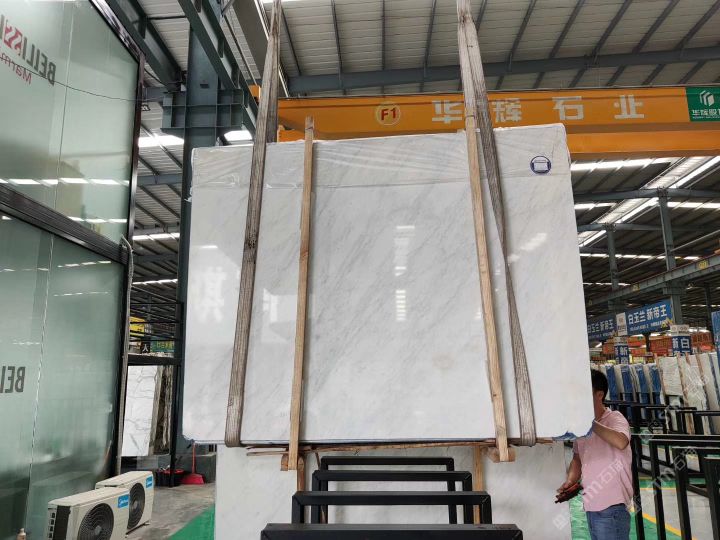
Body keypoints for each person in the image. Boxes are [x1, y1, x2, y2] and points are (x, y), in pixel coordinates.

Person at [558, 369, 633, 539]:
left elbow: (621, 441)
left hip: (612, 507)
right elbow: (577, 458)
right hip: (592, 504)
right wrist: (571, 480)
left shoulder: (614, 418)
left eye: (583, 394)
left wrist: (590, 424)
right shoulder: (582, 428)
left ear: (599, 395)